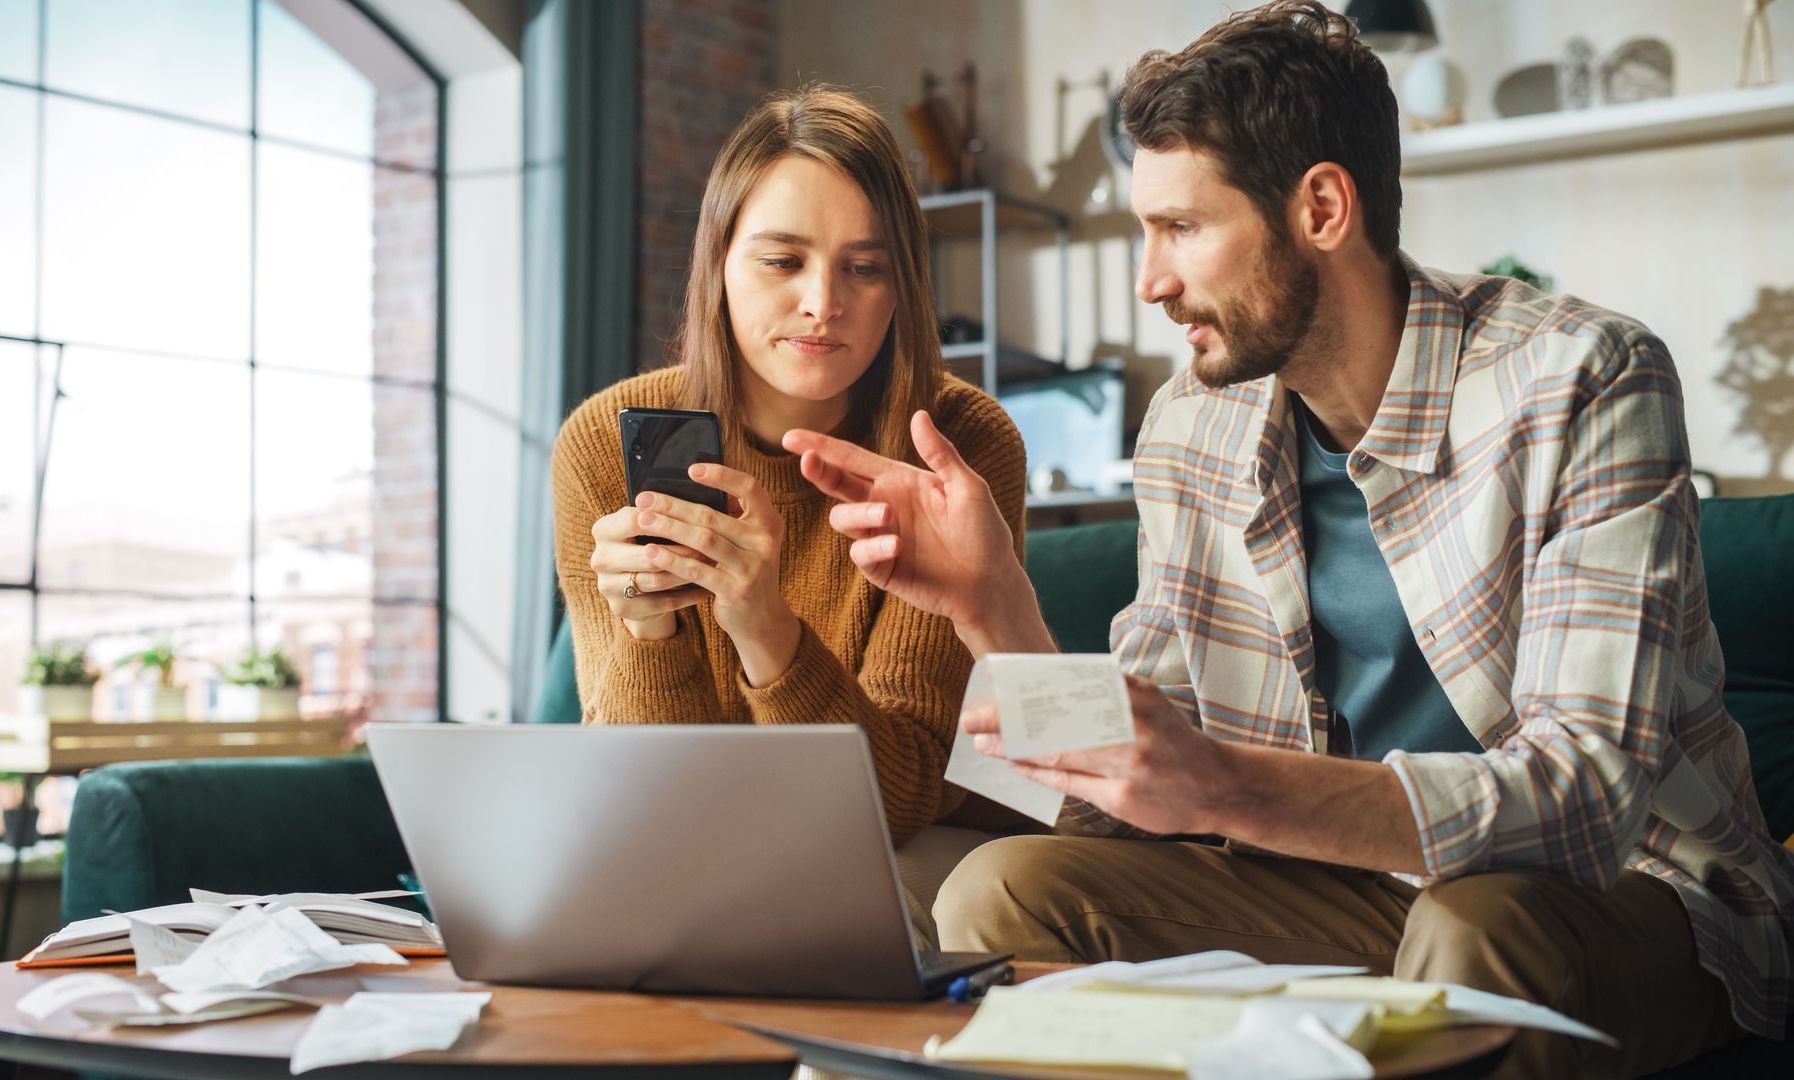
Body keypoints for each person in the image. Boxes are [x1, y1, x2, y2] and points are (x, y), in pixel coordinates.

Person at [783, 3, 1793, 1075]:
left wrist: (1226, 786)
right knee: (1003, 886)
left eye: (1182, 227)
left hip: (1625, 897)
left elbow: (1589, 793)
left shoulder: (1584, 378)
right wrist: (997, 609)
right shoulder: (1193, 424)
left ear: (1319, 206)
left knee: (1471, 930)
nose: (1150, 280)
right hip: (1336, 892)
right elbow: (1112, 808)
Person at [550, 87, 1027, 937]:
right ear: (719, 268)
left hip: (909, 848)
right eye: (782, 261)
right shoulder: (600, 442)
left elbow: (900, 798)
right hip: (688, 853)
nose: (823, 302)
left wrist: (765, 629)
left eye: (864, 267)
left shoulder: (957, 442)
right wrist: (649, 634)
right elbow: (652, 807)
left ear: (901, 285)